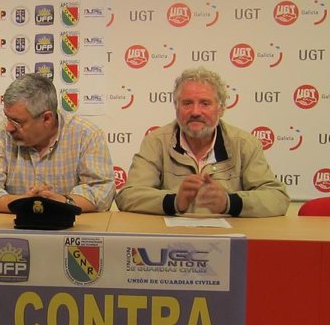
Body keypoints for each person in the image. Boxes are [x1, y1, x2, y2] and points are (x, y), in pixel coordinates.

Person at [115, 67, 290, 217]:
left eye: (205, 103)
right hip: (172, 239)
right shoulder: (156, 142)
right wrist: (174, 201)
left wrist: (229, 202)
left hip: (227, 239)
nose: (195, 112)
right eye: (187, 103)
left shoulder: (244, 144)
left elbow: (277, 198)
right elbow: (128, 196)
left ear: (221, 108)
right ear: (176, 107)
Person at [0, 72, 115, 213]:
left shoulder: (87, 135)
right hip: (14, 225)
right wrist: (24, 203)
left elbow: (102, 191)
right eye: (7, 117)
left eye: (17, 121)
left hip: (70, 226)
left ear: (47, 118)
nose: (8, 127)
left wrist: (62, 202)